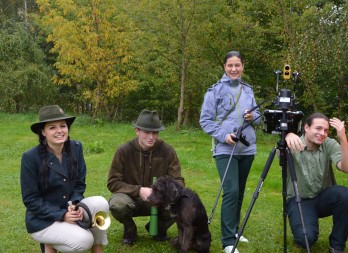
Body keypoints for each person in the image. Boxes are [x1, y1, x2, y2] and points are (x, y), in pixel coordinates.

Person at [20, 105, 109, 253]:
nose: (59, 131)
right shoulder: (30, 158)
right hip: (43, 220)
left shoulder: (76, 147)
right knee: (84, 240)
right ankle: (48, 243)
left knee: (101, 203)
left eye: (63, 125)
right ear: (43, 132)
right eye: (52, 127)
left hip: (68, 210)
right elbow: (31, 200)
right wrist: (61, 215)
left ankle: (97, 247)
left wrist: (75, 204)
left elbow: (79, 184)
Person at [199, 50, 261, 253]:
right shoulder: (214, 91)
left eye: (237, 65)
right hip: (225, 148)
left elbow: (259, 117)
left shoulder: (248, 90)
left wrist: (253, 117)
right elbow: (205, 121)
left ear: (243, 66)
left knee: (240, 190)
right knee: (231, 190)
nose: (234, 69)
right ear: (225, 67)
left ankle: (234, 230)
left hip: (247, 148)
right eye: (230, 66)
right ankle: (227, 242)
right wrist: (223, 135)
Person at [107, 109, 184, 245]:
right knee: (117, 204)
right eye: (147, 132)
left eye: (155, 132)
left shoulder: (168, 151)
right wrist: (139, 190)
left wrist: (164, 194)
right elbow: (113, 182)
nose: (151, 137)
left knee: (182, 201)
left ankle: (159, 229)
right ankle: (130, 229)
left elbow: (178, 181)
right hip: (131, 199)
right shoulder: (124, 151)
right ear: (137, 131)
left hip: (159, 200)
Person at [284, 112, 348, 253]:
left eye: (326, 130)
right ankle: (304, 222)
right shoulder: (293, 143)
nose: (322, 133)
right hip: (299, 200)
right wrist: (287, 135)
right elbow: (279, 138)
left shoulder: (328, 144)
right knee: (306, 240)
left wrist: (342, 138)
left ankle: (337, 246)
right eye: (318, 128)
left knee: (344, 195)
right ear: (306, 127)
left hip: (322, 197)